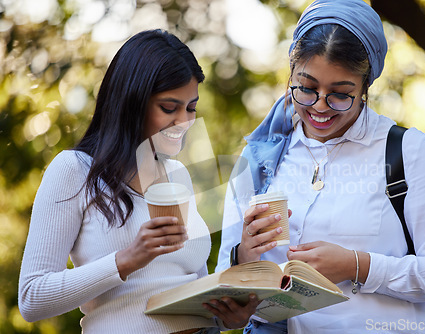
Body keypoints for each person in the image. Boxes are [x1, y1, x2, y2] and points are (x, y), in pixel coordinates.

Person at [216, 0, 425, 333]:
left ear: (366, 85)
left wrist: (358, 266)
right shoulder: (259, 159)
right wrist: (245, 262)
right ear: (291, 73)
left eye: (340, 94)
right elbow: (226, 301)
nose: (320, 106)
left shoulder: (408, 153)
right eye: (306, 88)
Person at [18, 29, 259, 334]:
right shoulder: (74, 170)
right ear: (131, 103)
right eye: (169, 108)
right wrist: (128, 259)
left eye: (191, 107)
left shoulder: (176, 174)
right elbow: (32, 298)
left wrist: (228, 318)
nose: (184, 122)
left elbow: (193, 288)